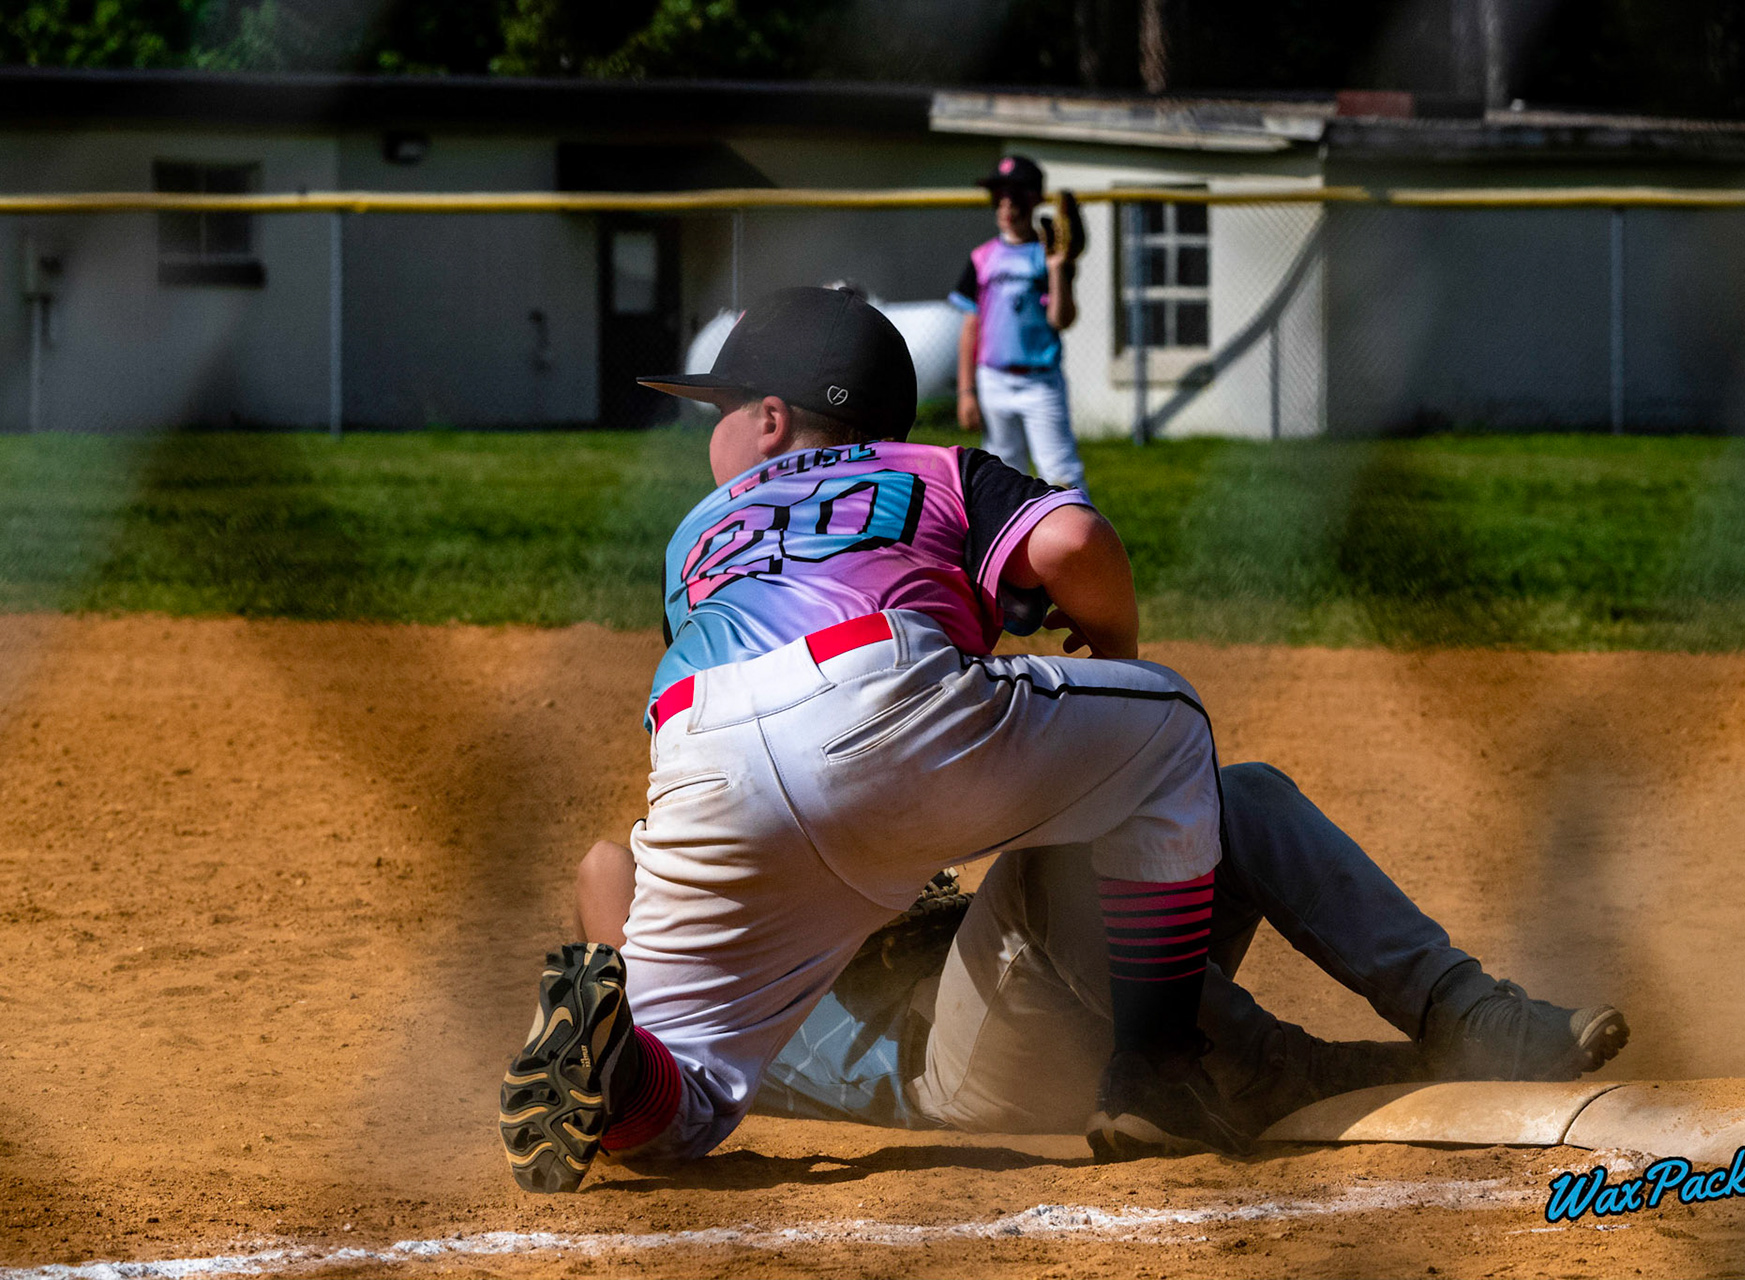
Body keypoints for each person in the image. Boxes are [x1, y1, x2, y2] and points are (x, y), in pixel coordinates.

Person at [500, 284, 1245, 1193]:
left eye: (721, 407)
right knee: (1171, 728)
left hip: (701, 744)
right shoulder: (937, 467)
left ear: (771, 420)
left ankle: (618, 1061)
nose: (710, 433)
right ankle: (1158, 1074)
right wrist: (1113, 652)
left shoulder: (692, 535)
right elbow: (1073, 542)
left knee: (677, 1102)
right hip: (875, 694)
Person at [570, 762, 1629, 1145]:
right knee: (1050, 869)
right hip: (959, 1065)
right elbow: (603, 874)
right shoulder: (701, 925)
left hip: (1067, 985)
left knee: (1240, 795)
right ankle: (1266, 1066)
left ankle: (1462, 1009)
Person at [950, 155, 1086, 491]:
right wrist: (966, 391)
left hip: (1040, 381)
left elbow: (1061, 319)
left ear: (1035, 199)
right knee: (1001, 474)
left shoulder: (1048, 253)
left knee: (1060, 471)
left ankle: (1079, 526)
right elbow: (970, 329)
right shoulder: (982, 257)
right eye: (999, 196)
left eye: (1016, 196)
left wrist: (1057, 268)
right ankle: (1013, 528)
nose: (1006, 205)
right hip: (993, 379)